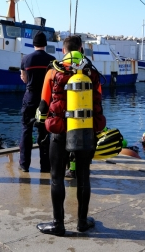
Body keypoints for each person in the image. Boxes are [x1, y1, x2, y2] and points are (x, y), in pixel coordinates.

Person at [36, 36, 106, 236]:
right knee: (84, 176)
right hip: (85, 133)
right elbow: (98, 101)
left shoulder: (53, 72)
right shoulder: (92, 73)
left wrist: (41, 124)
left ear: (63, 50)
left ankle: (58, 224)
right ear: (81, 49)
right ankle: (82, 222)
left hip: (59, 132)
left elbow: (42, 106)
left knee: (57, 177)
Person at [18, 32, 55, 173]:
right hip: (46, 99)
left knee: (26, 130)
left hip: (30, 97)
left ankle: (24, 164)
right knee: (44, 131)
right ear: (45, 44)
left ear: (34, 44)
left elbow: (25, 79)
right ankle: (45, 166)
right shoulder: (52, 60)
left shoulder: (26, 59)